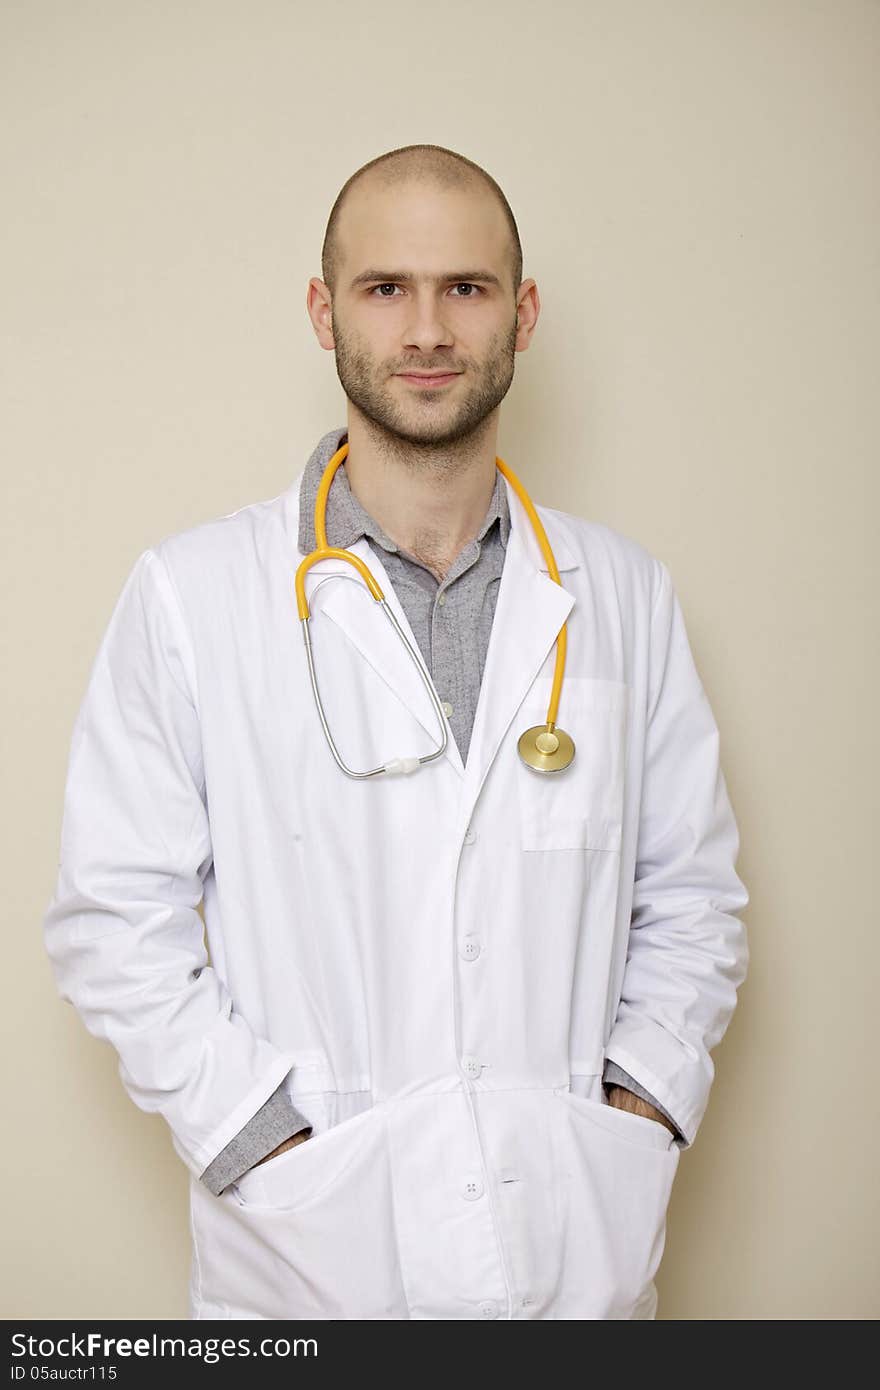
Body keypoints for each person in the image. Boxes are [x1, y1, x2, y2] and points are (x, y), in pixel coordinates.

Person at [42, 142, 749, 1321]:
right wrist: (262, 1137)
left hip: (570, 1250)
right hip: (310, 1266)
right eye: (386, 289)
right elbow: (113, 918)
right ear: (325, 312)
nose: (427, 329)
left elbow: (691, 898)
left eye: (465, 288)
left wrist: (638, 1100)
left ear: (521, 313)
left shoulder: (623, 596)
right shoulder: (194, 592)